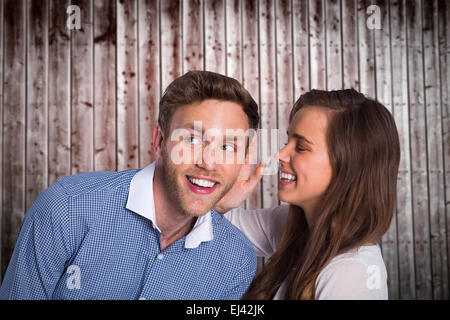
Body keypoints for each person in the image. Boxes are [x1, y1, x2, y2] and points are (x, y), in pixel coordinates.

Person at [0, 70, 259, 300]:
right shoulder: (66, 208)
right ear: (159, 141)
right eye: (191, 140)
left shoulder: (236, 261)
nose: (209, 163)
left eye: (227, 147)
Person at [215, 89, 400, 300]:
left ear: (349, 166)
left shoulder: (351, 274)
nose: (280, 154)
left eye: (301, 147)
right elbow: (208, 230)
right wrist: (222, 203)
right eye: (287, 142)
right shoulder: (293, 225)